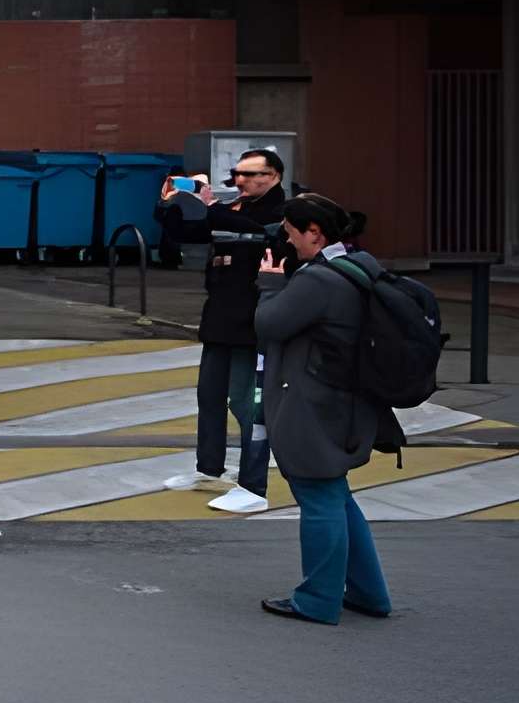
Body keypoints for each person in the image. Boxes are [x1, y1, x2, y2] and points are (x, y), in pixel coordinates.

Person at [252, 192, 396, 625]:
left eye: (291, 233)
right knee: (337, 495)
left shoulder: (318, 280)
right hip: (345, 399)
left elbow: (268, 323)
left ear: (314, 233)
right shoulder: (359, 264)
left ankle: (317, 599)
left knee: (318, 495)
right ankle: (370, 594)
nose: (287, 241)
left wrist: (269, 285)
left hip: (314, 404)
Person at [157, 148, 289, 513]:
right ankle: (210, 468)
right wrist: (170, 202)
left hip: (254, 322)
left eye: (249, 174)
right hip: (219, 319)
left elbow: (262, 235)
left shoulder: (281, 213)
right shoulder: (233, 209)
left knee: (247, 405)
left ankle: (253, 484)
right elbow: (187, 233)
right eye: (237, 173)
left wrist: (210, 204)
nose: (241, 180)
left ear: (273, 176)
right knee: (209, 396)